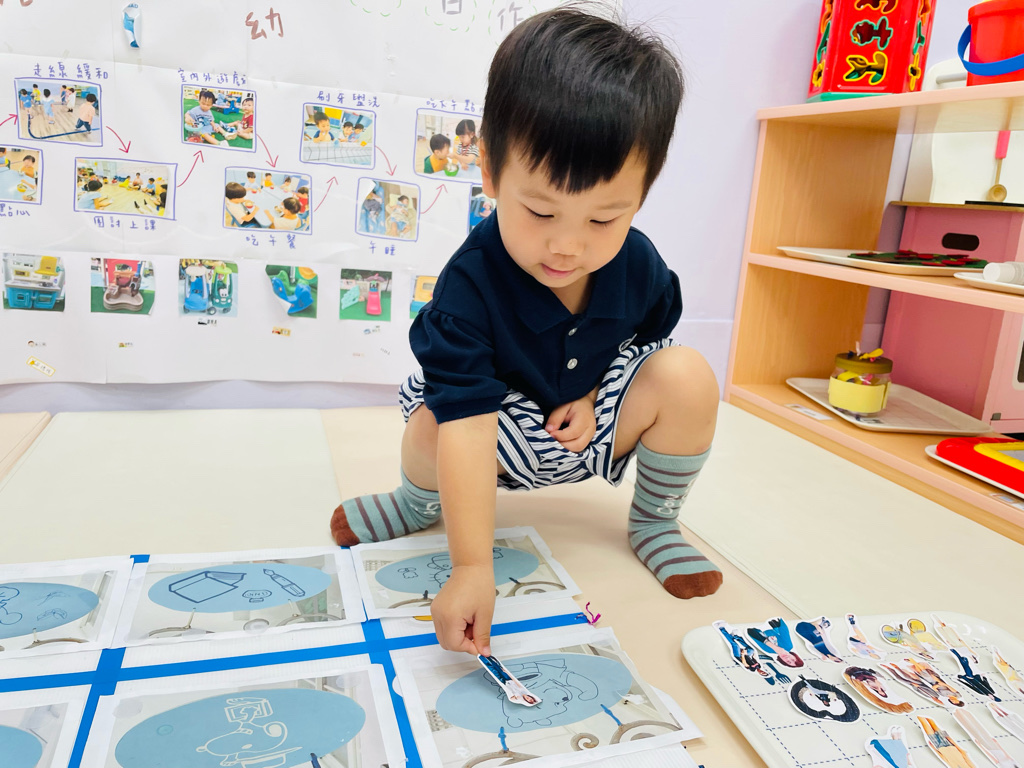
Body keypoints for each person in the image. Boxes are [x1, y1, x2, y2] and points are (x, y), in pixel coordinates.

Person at [330, 7, 720, 658]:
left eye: (604, 219)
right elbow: (468, 426)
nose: (567, 245)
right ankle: (417, 503)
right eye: (540, 211)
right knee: (431, 422)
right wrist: (471, 568)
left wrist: (594, 395)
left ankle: (655, 522)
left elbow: (648, 341)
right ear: (490, 170)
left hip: (588, 430)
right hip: (493, 438)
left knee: (688, 375)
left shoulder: (639, 264)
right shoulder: (469, 287)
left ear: (642, 195)